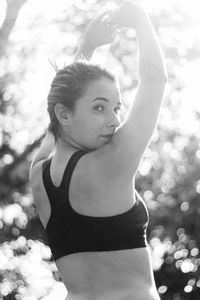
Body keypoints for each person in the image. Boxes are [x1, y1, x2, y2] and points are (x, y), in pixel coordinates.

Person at [29, 1, 167, 300]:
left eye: (116, 108)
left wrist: (86, 47)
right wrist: (141, 19)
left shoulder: (38, 173)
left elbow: (60, 113)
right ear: (65, 114)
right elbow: (155, 80)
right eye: (99, 108)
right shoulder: (110, 163)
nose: (115, 121)